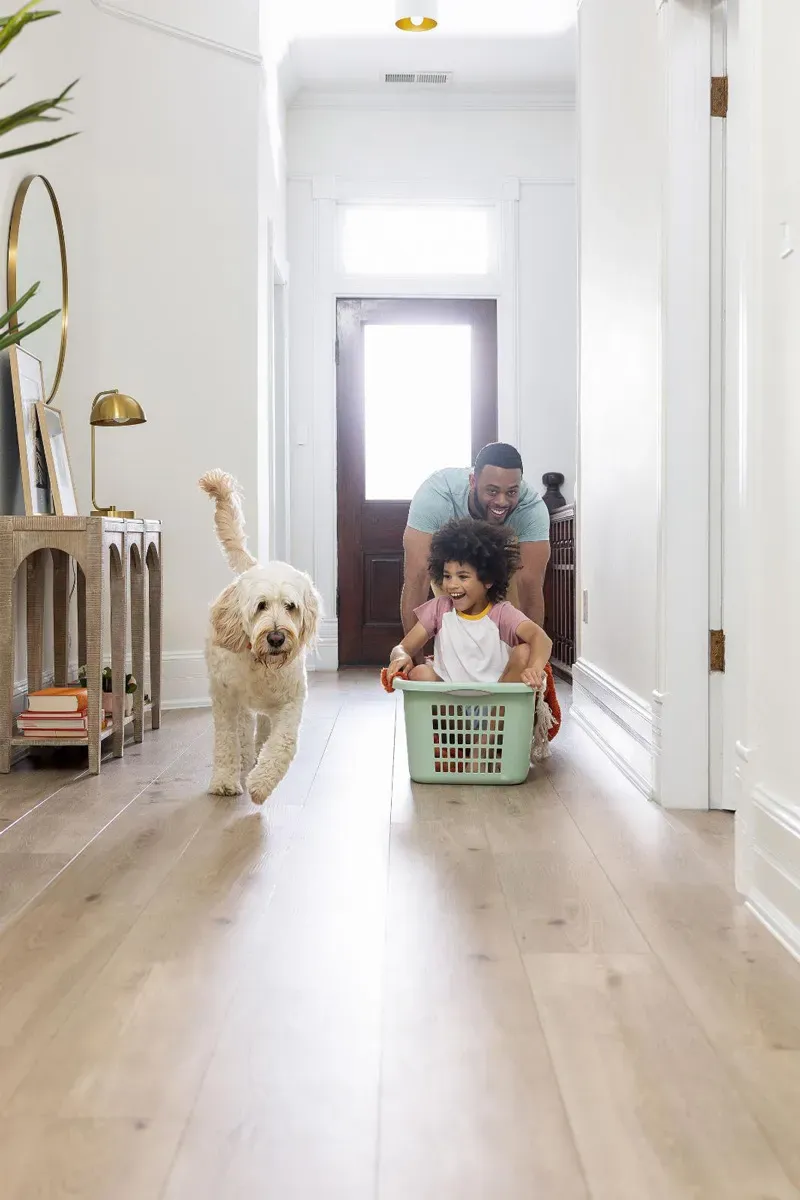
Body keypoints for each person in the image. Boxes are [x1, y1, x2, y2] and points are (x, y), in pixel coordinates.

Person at [401, 443, 550, 634]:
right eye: (492, 491)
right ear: (473, 481)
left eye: (511, 492)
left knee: (513, 617)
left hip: (503, 556)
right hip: (453, 552)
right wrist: (411, 651)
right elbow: (417, 576)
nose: (502, 501)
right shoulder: (435, 496)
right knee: (456, 618)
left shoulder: (531, 508)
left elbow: (530, 587)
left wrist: (531, 650)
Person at [385, 518, 552, 689]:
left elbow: (541, 638)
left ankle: (506, 706)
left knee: (525, 652)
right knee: (420, 673)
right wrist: (401, 656)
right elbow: (403, 647)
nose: (452, 585)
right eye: (447, 576)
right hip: (449, 697)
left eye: (463, 576)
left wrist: (535, 668)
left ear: (487, 580)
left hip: (496, 697)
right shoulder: (440, 609)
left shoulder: (502, 613)